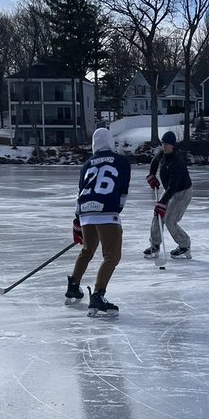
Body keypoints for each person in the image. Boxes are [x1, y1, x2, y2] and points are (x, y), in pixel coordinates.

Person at [68, 127, 131, 318]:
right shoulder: (120, 161)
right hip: (106, 212)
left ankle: (73, 286)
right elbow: (122, 190)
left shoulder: (87, 164)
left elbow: (80, 192)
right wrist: (115, 211)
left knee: (88, 250)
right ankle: (98, 295)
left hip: (86, 212)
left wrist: (78, 220)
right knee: (112, 256)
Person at [143, 131, 193, 259]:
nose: (164, 146)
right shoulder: (162, 153)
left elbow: (173, 187)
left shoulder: (177, 162)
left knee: (170, 220)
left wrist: (162, 202)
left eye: (167, 144)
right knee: (157, 215)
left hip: (182, 192)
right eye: (163, 143)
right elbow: (154, 162)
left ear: (173, 145)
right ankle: (155, 245)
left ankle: (184, 245)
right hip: (170, 189)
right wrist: (151, 175)